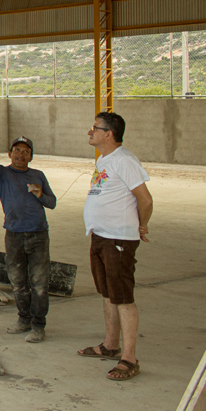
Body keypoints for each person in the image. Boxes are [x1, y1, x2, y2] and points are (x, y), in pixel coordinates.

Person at [79, 111, 152, 381]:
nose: (90, 132)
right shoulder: (104, 159)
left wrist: (142, 225)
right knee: (108, 293)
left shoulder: (124, 160)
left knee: (122, 297)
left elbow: (145, 199)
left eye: (95, 128)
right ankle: (110, 345)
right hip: (100, 236)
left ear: (108, 134)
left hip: (118, 238)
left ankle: (129, 359)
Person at [0, 126, 56, 343]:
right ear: (10, 154)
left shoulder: (38, 176)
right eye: (17, 150)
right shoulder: (3, 174)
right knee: (17, 281)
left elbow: (52, 203)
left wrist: (40, 195)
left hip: (38, 234)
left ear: (31, 156)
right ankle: (24, 319)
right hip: (14, 235)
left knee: (39, 282)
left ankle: (38, 326)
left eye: (25, 152)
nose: (21, 155)